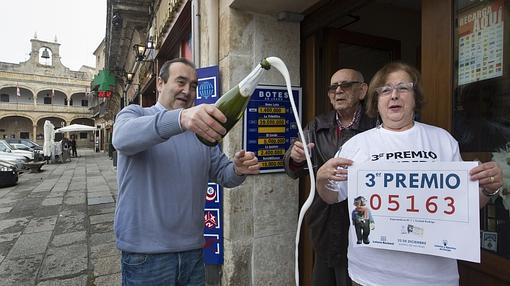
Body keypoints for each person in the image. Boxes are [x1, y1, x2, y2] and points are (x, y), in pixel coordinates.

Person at [316, 62, 504, 286]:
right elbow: (332, 196)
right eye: (385, 90)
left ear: (415, 97)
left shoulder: (442, 140)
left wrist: (487, 187)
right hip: (370, 276)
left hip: (434, 277)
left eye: (403, 88)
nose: (394, 95)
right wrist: (321, 180)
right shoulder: (356, 145)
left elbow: (465, 204)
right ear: (376, 101)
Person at [112, 58, 260, 286]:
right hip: (146, 257)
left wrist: (238, 169)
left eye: (193, 86)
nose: (187, 91)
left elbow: (223, 174)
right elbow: (121, 138)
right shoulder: (135, 114)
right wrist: (181, 118)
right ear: (160, 84)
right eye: (180, 82)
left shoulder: (199, 131)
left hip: (193, 252)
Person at [283, 68, 376, 286]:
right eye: (334, 87)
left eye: (346, 85)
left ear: (362, 91)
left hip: (362, 223)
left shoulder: (376, 126)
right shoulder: (317, 126)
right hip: (324, 222)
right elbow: (292, 168)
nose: (339, 91)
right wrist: (295, 156)